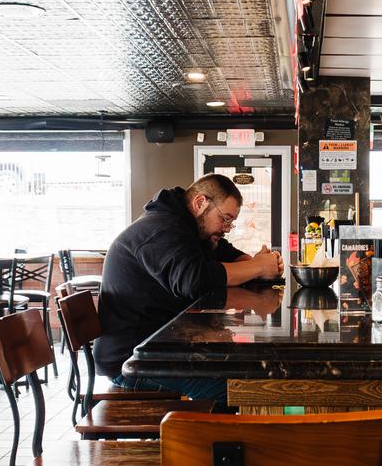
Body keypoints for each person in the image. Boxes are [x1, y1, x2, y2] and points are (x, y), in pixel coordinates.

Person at [93, 173, 284, 407]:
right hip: (131, 361)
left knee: (242, 369)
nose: (226, 228)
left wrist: (259, 263)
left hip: (161, 348)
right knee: (236, 389)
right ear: (200, 202)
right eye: (224, 219)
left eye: (230, 222)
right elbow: (194, 280)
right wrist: (257, 267)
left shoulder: (189, 228)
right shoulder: (161, 229)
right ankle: (206, 432)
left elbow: (223, 252)